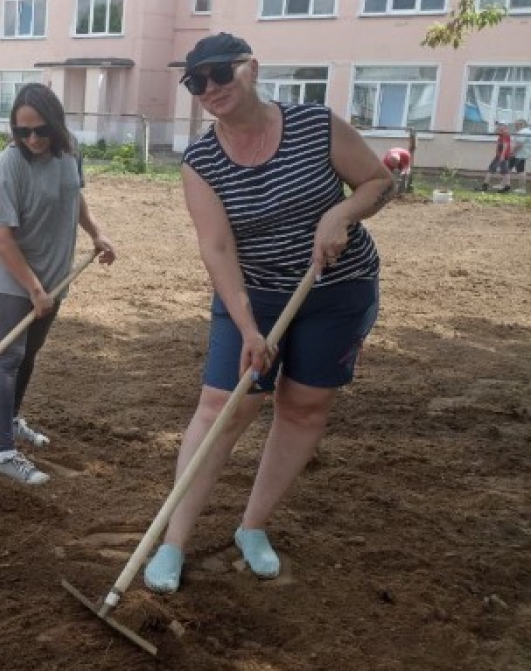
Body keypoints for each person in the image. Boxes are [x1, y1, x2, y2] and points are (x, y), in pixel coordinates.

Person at [143, 33, 391, 593]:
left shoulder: (314, 125)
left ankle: (252, 527)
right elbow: (218, 249)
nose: (209, 88)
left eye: (219, 74)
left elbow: (380, 181)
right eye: (195, 81)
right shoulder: (202, 161)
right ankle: (172, 542)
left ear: (250, 68)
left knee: (304, 407)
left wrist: (343, 213)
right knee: (222, 408)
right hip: (251, 295)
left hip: (338, 291)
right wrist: (250, 327)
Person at [0, 83, 115, 485]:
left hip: (55, 277)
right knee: (7, 357)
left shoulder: (70, 150)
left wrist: (96, 233)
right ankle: (5, 452)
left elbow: (73, 196)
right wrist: (33, 289)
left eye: (40, 130)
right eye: (23, 132)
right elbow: (2, 237)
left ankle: (12, 418)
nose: (33, 140)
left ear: (55, 124)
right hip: (14, 276)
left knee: (29, 354)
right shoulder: (11, 164)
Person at [481, 122, 514, 193]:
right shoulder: (502, 133)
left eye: (501, 125)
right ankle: (507, 186)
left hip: (501, 156)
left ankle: (485, 186)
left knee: (491, 169)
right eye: (499, 125)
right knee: (505, 171)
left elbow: (505, 145)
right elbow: (494, 132)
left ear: (505, 126)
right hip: (502, 155)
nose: (499, 127)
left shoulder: (505, 133)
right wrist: (496, 125)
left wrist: (502, 155)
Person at [509, 119, 529, 194]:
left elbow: (519, 145)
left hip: (519, 154)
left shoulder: (523, 132)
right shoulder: (526, 131)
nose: (515, 126)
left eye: (516, 124)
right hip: (519, 154)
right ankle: (504, 184)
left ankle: (522, 188)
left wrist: (512, 152)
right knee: (508, 168)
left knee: (520, 171)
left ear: (521, 124)